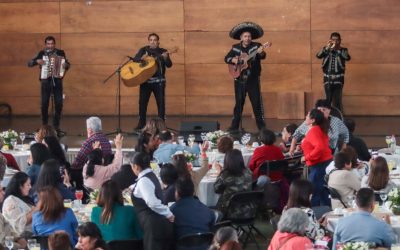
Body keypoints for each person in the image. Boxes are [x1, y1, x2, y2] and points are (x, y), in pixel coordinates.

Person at [224, 22, 269, 131]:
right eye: (245, 36)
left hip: (253, 79)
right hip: (239, 79)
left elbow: (262, 56)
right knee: (239, 104)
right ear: (241, 37)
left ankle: (262, 128)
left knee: (256, 103)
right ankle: (234, 127)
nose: (247, 38)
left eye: (249, 36)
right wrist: (234, 60)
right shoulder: (235, 48)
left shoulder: (257, 46)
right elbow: (226, 58)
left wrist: (261, 52)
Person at [130, 152, 174, 250]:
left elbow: (152, 203)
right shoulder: (150, 175)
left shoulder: (143, 181)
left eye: (132, 167)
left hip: (153, 225)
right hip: (156, 224)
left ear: (136, 166)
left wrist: (168, 213)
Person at [27, 36, 70, 133]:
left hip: (57, 82)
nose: (50, 46)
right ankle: (44, 126)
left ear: (54, 44)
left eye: (52, 44)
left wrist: (65, 65)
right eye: (48, 44)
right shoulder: (42, 53)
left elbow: (67, 65)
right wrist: (36, 61)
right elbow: (29, 63)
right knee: (44, 104)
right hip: (45, 82)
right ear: (46, 44)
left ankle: (56, 126)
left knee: (59, 104)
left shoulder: (60, 52)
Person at [133, 33, 173, 130]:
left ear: (158, 42)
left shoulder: (163, 51)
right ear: (148, 41)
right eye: (151, 40)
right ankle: (141, 124)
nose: (152, 42)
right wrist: (141, 59)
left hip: (159, 82)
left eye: (155, 40)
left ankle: (161, 124)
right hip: (145, 81)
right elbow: (135, 60)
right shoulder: (143, 50)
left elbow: (169, 65)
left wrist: (166, 58)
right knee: (142, 103)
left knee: (161, 104)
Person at [301, 109, 332, 206]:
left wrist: (306, 157)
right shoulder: (320, 128)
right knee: (323, 192)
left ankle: (315, 216)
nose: (306, 117)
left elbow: (320, 147)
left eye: (307, 115)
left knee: (314, 193)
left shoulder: (313, 130)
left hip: (318, 165)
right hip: (324, 162)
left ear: (313, 120)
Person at [71, 117, 112, 189]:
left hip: (92, 176)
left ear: (89, 130)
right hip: (105, 175)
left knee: (73, 171)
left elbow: (78, 162)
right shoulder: (106, 141)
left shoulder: (89, 141)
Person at [316, 32, 351, 112]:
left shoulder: (343, 50)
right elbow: (318, 56)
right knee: (328, 100)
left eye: (337, 40)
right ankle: (327, 119)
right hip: (327, 78)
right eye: (333, 39)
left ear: (340, 41)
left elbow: (347, 57)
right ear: (330, 40)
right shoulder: (326, 49)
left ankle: (339, 120)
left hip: (338, 79)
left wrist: (337, 50)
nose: (335, 41)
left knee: (337, 102)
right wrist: (327, 48)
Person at [214, 149, 253, 217]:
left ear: (227, 160)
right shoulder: (248, 171)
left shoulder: (225, 174)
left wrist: (219, 172)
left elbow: (216, 189)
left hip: (230, 212)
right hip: (249, 210)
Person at [0, 183, 27, 249]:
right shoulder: (10, 200)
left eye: (2, 190)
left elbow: (8, 229)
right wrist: (21, 247)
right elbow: (2, 243)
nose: (3, 193)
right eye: (0, 191)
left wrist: (18, 238)